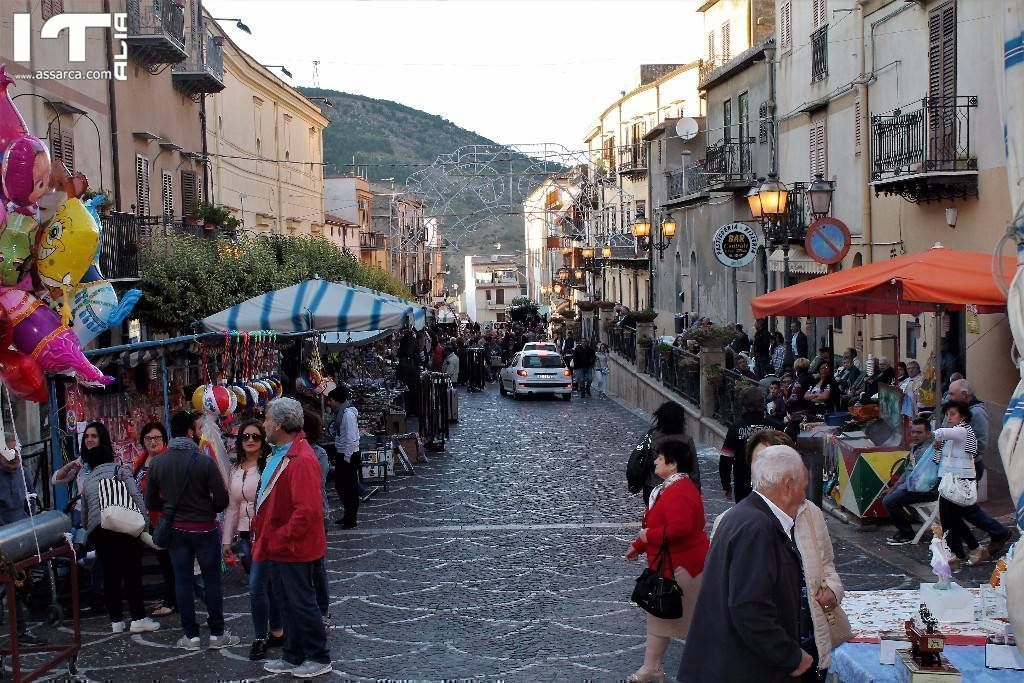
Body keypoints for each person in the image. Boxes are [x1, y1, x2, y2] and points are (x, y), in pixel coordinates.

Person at [710, 434, 847, 679]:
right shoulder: (733, 522)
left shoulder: (811, 513)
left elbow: (827, 566)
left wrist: (832, 593)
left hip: (809, 639)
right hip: (763, 658)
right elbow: (732, 600)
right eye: (761, 459)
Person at [679, 446, 814, 682]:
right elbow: (749, 606)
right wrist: (790, 656)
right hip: (741, 669)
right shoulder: (758, 528)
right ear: (787, 484)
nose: (805, 495)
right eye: (804, 486)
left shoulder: (743, 516)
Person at [146, 410, 236, 651]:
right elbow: (221, 499)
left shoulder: (158, 463)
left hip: (176, 530)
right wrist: (206, 508)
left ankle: (191, 636)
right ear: (189, 432)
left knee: (182, 582)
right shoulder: (204, 461)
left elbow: (150, 501)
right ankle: (217, 633)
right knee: (212, 581)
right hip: (205, 529)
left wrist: (169, 508)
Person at [256, 398, 332, 679]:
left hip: (293, 546)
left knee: (301, 602)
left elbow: (307, 511)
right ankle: (293, 654)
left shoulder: (300, 460)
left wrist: (280, 536)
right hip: (283, 544)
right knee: (288, 602)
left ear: (277, 425)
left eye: (265, 419)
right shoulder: (286, 453)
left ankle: (317, 656)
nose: (263, 424)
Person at [625, 440, 709, 683]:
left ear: (672, 464)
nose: (654, 462)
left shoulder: (679, 491)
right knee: (660, 619)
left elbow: (679, 528)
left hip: (683, 567)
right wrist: (639, 545)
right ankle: (651, 668)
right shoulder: (671, 488)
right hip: (673, 565)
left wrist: (646, 537)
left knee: (686, 622)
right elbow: (657, 525)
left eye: (659, 459)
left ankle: (657, 669)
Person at [80, 422, 161, 635]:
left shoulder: (88, 481)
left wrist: (88, 533)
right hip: (123, 526)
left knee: (110, 574)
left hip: (99, 529)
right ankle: (138, 617)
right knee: (132, 573)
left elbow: (85, 514)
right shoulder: (120, 470)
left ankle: (116, 620)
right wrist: (144, 523)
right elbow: (135, 496)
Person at [221, 420, 281, 660]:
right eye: (245, 436)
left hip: (266, 533)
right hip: (245, 536)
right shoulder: (236, 469)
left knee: (257, 585)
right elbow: (232, 507)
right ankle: (277, 630)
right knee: (264, 584)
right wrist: (227, 540)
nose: (250, 441)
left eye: (255, 436)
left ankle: (260, 636)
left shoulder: (269, 465)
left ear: (263, 440)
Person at [945, 380, 1011, 563]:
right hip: (956, 467)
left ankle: (996, 534)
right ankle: (964, 547)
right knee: (960, 509)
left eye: (952, 394)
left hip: (969, 468)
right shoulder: (960, 411)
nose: (949, 397)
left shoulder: (977, 413)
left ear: (965, 395)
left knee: (962, 509)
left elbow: (980, 444)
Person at [0, 437, 48, 646]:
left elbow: (31, 499)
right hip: (3, 537)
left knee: (21, 585)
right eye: (10, 453)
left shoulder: (24, 471)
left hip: (22, 536)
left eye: (17, 452)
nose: (15, 458)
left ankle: (21, 630)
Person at [932, 401, 985, 570]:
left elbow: (940, 432)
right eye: (947, 414)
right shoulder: (956, 433)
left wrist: (933, 435)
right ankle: (966, 550)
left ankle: (956, 553)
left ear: (962, 416)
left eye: (952, 414)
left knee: (950, 519)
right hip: (950, 480)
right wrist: (938, 445)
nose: (949, 417)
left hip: (958, 482)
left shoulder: (961, 431)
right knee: (951, 519)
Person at [132, 422, 176, 619]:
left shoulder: (168, 460)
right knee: (161, 559)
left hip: (163, 517)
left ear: (164, 440)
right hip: (144, 518)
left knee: (168, 560)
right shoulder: (140, 461)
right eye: (148, 438)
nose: (153, 442)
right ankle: (170, 596)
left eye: (157, 438)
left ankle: (172, 600)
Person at [883, 418, 939, 545]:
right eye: (913, 432)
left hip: (927, 490)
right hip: (916, 486)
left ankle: (907, 534)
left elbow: (918, 478)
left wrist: (897, 489)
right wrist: (895, 487)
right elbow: (908, 472)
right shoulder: (917, 448)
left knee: (889, 501)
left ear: (928, 434)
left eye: (919, 433)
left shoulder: (927, 451)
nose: (915, 435)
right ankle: (904, 531)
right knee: (889, 497)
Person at [720, 387, 780, 502]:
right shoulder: (775, 428)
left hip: (743, 483)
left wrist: (726, 485)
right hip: (770, 482)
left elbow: (725, 459)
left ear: (743, 405)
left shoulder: (736, 428)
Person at [637, 401, 701, 505]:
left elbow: (640, 459)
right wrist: (696, 492)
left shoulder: (650, 437)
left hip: (652, 486)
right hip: (680, 487)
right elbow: (694, 470)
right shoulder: (686, 440)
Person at [303, 409, 332, 624]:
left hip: (317, 513)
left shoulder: (319, 454)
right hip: (300, 513)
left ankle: (322, 609)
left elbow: (317, 483)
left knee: (317, 565)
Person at [328, 386, 361, 529]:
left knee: (349, 487)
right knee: (342, 486)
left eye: (331, 400)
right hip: (343, 453)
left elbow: (351, 437)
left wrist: (347, 456)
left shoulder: (347, 414)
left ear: (336, 400)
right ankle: (348, 515)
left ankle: (351, 518)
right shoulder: (341, 413)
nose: (329, 403)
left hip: (349, 455)